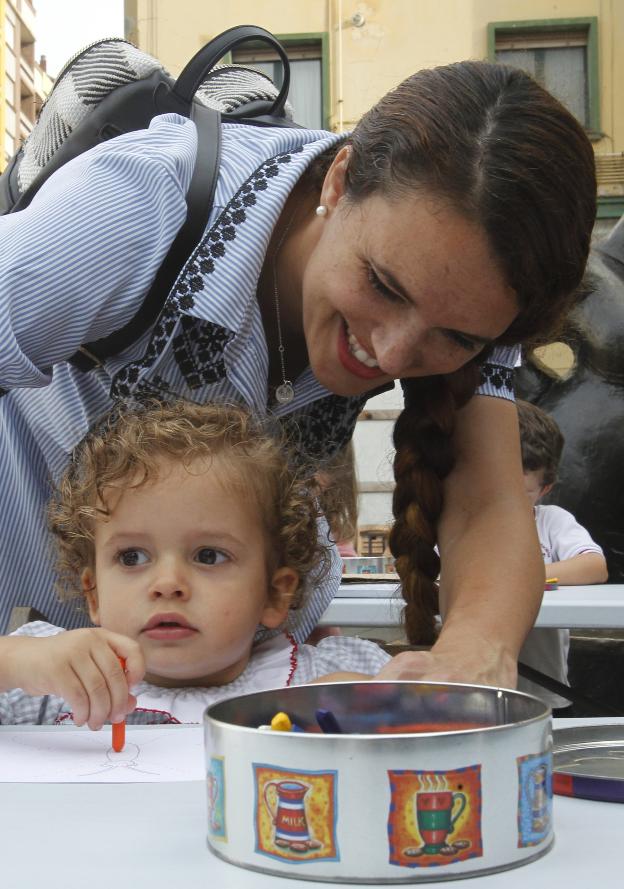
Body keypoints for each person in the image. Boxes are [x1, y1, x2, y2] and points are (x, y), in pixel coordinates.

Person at [0, 55, 597, 691]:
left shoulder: (480, 293)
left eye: (456, 337)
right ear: (337, 182)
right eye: (384, 285)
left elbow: (486, 502)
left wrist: (473, 653)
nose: (393, 356)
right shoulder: (132, 205)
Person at [0, 400, 397, 726]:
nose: (167, 583)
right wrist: (16, 662)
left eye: (209, 556)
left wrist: (388, 706)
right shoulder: (55, 685)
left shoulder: (322, 679)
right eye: (132, 557)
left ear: (275, 594)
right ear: (94, 594)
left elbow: (424, 711)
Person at [516, 400, 608, 711]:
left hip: (541, 684)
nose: (508, 501)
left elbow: (594, 566)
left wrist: (523, 577)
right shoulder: (464, 524)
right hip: (477, 680)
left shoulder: (550, 521)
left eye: (522, 493)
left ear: (544, 489)